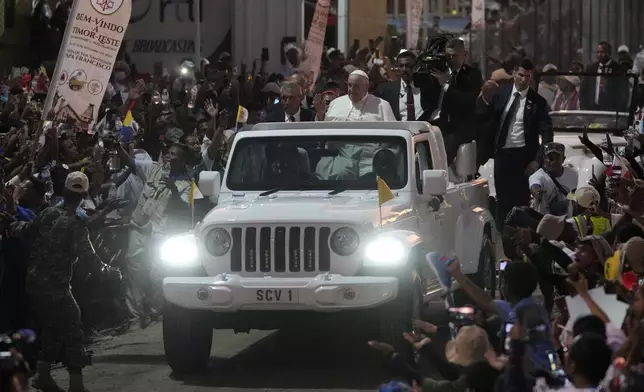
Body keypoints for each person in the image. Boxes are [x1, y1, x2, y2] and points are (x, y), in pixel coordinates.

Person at [27, 172, 119, 392]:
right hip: (56, 287)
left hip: (34, 282)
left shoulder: (48, 213)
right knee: (74, 329)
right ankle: (76, 383)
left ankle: (43, 375)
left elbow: (27, 232)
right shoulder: (75, 223)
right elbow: (89, 257)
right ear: (84, 194)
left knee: (53, 327)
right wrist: (109, 271)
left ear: (65, 190)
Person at [477, 58, 553, 229]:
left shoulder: (538, 102)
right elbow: (486, 119)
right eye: (521, 75)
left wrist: (537, 160)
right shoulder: (501, 94)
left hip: (524, 157)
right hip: (503, 155)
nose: (524, 80)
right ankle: (503, 237)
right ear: (513, 74)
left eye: (528, 76)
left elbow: (547, 133)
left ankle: (521, 239)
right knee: (502, 200)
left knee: (521, 201)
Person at [429, 39, 485, 163]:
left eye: (454, 56)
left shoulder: (472, 75)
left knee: (446, 146)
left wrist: (446, 86)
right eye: (448, 56)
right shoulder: (438, 72)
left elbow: (468, 101)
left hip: (458, 127)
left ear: (464, 54)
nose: (450, 59)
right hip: (434, 122)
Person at [374, 50, 434, 122]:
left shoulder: (427, 88)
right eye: (401, 66)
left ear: (416, 67)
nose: (404, 69)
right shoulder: (385, 90)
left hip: (422, 130)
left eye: (408, 66)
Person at [319, 70, 396, 122]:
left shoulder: (382, 106)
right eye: (350, 85)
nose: (351, 89)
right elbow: (325, 128)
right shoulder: (336, 103)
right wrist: (320, 114)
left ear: (366, 87)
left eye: (356, 86)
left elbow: (392, 133)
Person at [529, 142, 578, 216]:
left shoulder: (574, 174)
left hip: (568, 222)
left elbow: (575, 193)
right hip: (545, 222)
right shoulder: (538, 176)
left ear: (563, 159)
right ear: (544, 159)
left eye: (557, 158)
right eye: (550, 158)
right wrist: (537, 193)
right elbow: (535, 186)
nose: (553, 162)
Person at [580, 41, 630, 111]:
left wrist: (619, 111)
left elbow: (624, 93)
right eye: (597, 52)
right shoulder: (591, 68)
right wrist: (583, 108)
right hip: (592, 110)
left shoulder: (619, 69)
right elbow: (583, 90)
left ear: (609, 53)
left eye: (602, 52)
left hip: (611, 111)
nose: (599, 55)